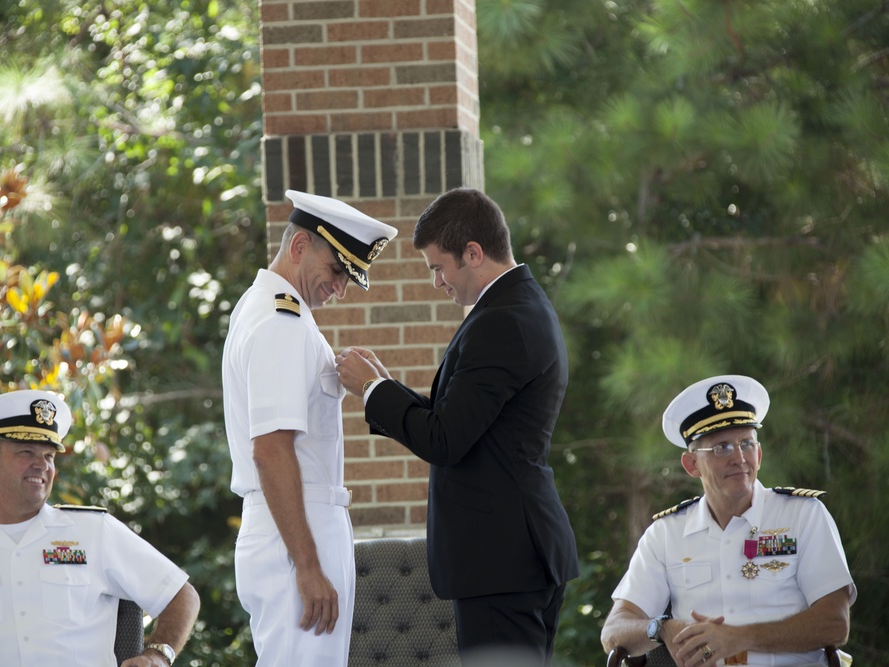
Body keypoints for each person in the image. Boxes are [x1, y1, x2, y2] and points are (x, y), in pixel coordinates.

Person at [335, 187, 579, 665]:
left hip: (502, 560)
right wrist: (385, 386)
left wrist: (371, 391)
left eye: (437, 267)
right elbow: (463, 417)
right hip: (513, 554)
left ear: (473, 252)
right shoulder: (516, 306)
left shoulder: (501, 321)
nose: (436, 282)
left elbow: (446, 439)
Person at [0, 389, 200, 666]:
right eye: (26, 453)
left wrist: (158, 655)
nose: (43, 465)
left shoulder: (94, 532)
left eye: (49, 455)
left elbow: (181, 595)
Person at [221, 189, 397, 667]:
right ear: (299, 247)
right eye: (337, 271)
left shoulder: (271, 310)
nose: (339, 290)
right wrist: (308, 565)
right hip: (297, 531)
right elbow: (271, 450)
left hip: (291, 525)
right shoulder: (282, 320)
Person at [600, 374, 856, 667]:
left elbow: (835, 623)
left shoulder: (803, 515)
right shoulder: (666, 533)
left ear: (759, 454)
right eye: (721, 447)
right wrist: (662, 628)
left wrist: (741, 637)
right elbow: (613, 631)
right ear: (691, 464)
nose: (739, 457)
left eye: (746, 443)